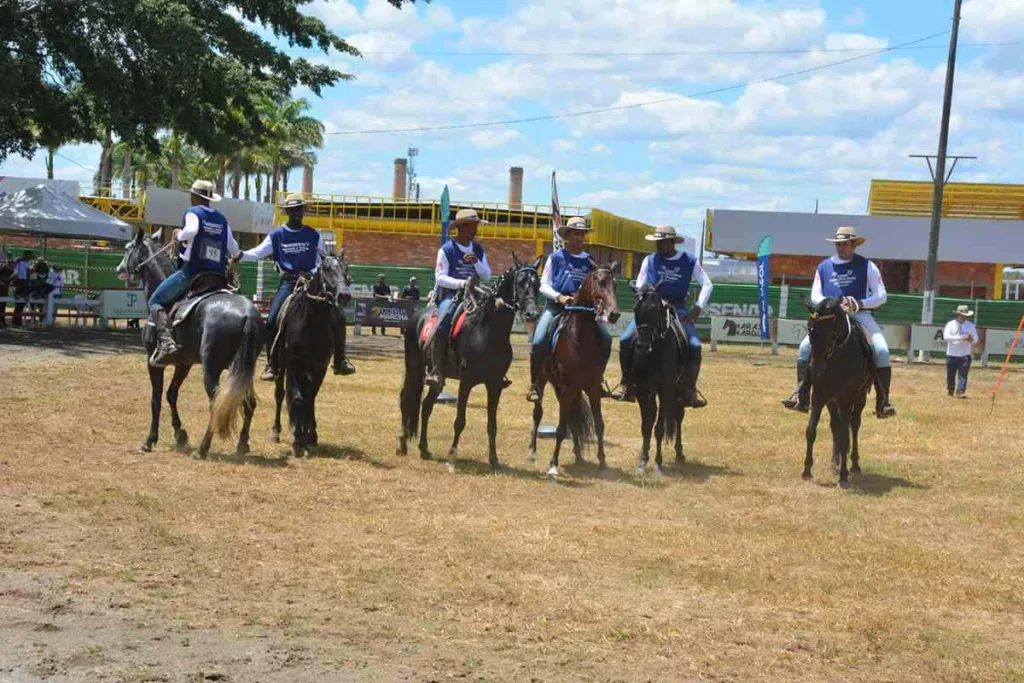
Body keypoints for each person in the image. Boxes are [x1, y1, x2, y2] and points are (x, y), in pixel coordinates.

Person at [235, 193, 355, 380]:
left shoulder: (313, 234)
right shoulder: (277, 235)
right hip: (289, 282)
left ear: (303, 211)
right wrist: (239, 255)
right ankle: (271, 364)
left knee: (338, 316)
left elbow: (324, 260)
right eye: (293, 210)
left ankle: (340, 361)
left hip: (312, 282)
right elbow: (258, 252)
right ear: (288, 212)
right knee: (273, 318)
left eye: (299, 210)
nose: (296, 213)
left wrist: (318, 272)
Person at [782, 226, 896, 418]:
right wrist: (830, 305)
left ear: (853, 245)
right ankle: (801, 395)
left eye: (844, 244)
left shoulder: (867, 265)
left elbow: (881, 295)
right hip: (830, 317)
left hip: (860, 314)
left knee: (881, 350)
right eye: (838, 244)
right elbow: (815, 294)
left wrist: (859, 303)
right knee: (804, 348)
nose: (841, 248)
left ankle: (883, 401)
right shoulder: (824, 266)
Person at [611, 225, 712, 407]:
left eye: (662, 242)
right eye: (657, 242)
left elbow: (707, 284)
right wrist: (644, 293)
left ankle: (689, 389)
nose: (658, 246)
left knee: (695, 346)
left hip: (677, 310)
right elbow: (640, 282)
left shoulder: (689, 261)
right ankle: (627, 384)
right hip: (650, 308)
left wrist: (697, 307)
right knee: (625, 340)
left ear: (672, 242)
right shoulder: (649, 260)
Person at [147, 179, 240, 367]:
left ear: (196, 196)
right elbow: (234, 249)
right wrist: (236, 256)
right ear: (210, 199)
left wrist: (179, 234)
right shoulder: (222, 220)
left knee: (154, 301)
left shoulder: (192, 213)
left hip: (192, 272)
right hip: (218, 277)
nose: (190, 197)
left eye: (192, 194)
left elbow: (192, 230)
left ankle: (166, 343)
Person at [526, 216, 610, 403]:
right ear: (567, 236)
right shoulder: (555, 258)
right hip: (557, 308)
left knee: (606, 338)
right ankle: (534, 385)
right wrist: (560, 297)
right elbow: (543, 285)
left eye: (582, 234)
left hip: (583, 312)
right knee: (539, 341)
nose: (580, 238)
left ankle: (599, 380)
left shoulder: (590, 261)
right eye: (576, 234)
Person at [424, 208, 492, 390]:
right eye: (473, 226)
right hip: (451, 296)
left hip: (476, 295)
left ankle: (494, 368)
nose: (476, 229)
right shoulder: (447, 250)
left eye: (476, 225)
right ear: (461, 227)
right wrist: (462, 284)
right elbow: (440, 277)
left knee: (494, 319)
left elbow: (487, 276)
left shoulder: (478, 250)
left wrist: (476, 262)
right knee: (444, 321)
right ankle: (436, 369)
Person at [944, 304, 978, 399]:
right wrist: (960, 337)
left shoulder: (970, 326)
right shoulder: (950, 324)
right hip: (952, 353)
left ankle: (961, 391)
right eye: (962, 315)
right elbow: (946, 337)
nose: (964, 317)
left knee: (963, 374)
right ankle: (950, 390)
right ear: (958, 314)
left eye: (965, 315)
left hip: (965, 354)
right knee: (950, 374)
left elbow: (975, 339)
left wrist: (970, 339)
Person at [12, 250, 34, 327]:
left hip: (25, 281)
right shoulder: (18, 261)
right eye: (29, 256)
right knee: (19, 304)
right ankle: (16, 321)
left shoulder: (29, 262)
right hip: (20, 281)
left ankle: (17, 321)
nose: (30, 258)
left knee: (21, 304)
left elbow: (29, 271)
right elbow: (16, 271)